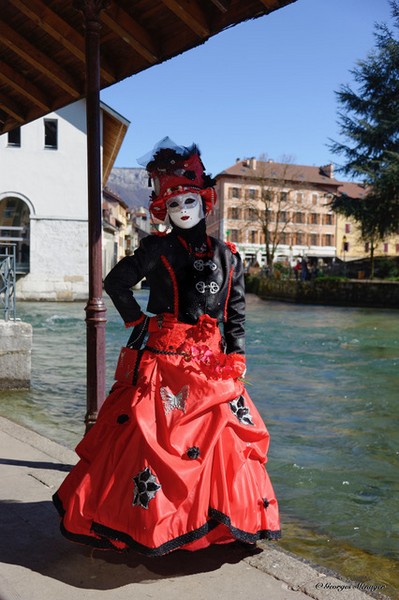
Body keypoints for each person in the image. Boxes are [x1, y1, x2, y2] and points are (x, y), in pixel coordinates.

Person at [53, 137, 280, 555]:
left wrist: (238, 352)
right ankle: (146, 524)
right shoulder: (156, 248)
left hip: (214, 366)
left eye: (189, 200)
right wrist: (139, 321)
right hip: (164, 359)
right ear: (164, 209)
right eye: (174, 204)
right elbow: (115, 283)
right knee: (148, 440)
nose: (182, 210)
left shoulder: (229, 256)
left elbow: (236, 311)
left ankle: (212, 526)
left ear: (204, 200)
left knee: (221, 441)